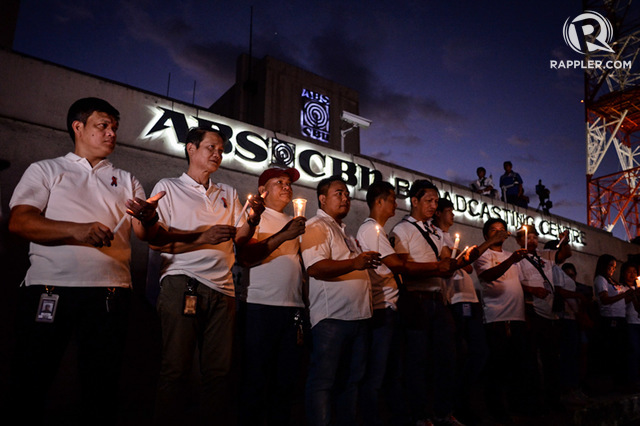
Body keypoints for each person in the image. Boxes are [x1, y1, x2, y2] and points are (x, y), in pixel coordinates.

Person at [6, 97, 162, 425]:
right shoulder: (47, 169)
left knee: (101, 387)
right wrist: (78, 231)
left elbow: (144, 234)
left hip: (111, 293)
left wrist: (148, 218)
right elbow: (20, 222)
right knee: (31, 380)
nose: (111, 134)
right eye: (102, 126)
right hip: (50, 288)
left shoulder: (126, 178)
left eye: (114, 128)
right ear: (78, 127)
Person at [148, 127, 264, 425]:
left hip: (224, 289)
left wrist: (253, 218)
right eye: (211, 147)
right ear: (190, 148)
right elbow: (156, 238)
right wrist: (204, 235)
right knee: (176, 368)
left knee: (219, 372)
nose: (217, 154)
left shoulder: (226, 191)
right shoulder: (168, 187)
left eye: (221, 150)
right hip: (181, 280)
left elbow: (240, 237)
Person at [300, 175, 379, 426]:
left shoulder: (344, 232)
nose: (345, 198)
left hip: (359, 318)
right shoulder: (315, 226)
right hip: (332, 318)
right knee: (323, 381)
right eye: (338, 193)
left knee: (352, 380)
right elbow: (316, 268)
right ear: (322, 199)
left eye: (347, 194)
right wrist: (355, 262)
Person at [234, 167, 306, 426]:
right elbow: (245, 256)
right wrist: (284, 235)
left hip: (292, 308)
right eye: (280, 182)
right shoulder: (254, 217)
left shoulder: (295, 221)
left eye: (289, 183)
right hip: (260, 306)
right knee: (255, 379)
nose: (287, 187)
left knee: (285, 382)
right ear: (263, 191)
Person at [389, 180, 461, 426]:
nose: (433, 205)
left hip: (438, 301)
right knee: (416, 361)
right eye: (429, 200)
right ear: (415, 201)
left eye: (436, 201)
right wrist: (436, 267)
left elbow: (446, 262)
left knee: (446, 359)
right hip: (416, 300)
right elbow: (403, 268)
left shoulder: (436, 232)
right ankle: (419, 415)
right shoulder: (402, 230)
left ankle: (443, 412)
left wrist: (455, 263)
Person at [432, 198, 499, 424]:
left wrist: (463, 257)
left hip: (471, 300)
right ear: (438, 213)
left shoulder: (451, 238)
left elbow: (467, 266)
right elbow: (449, 266)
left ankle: (463, 399)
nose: (452, 214)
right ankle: (454, 405)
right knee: (459, 355)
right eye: (448, 210)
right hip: (455, 301)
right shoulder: (435, 236)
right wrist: (486, 245)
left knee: (478, 353)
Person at [473, 218, 529, 422]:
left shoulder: (511, 255)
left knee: (517, 365)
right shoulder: (483, 255)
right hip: (498, 318)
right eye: (494, 230)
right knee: (498, 366)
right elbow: (488, 276)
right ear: (486, 235)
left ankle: (516, 405)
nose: (499, 233)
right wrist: (511, 261)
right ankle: (496, 408)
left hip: (517, 317)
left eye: (502, 230)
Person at [516, 225, 572, 410]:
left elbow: (565, 254)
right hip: (532, 311)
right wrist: (532, 289)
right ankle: (533, 401)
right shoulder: (516, 259)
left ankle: (553, 399)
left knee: (551, 358)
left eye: (534, 237)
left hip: (549, 313)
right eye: (527, 237)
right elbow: (515, 283)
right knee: (531, 358)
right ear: (518, 240)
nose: (531, 240)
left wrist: (565, 240)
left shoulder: (545, 256)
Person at [593, 254, 634, 391]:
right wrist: (624, 294)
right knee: (612, 351)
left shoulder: (612, 281)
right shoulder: (600, 280)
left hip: (620, 318)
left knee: (621, 351)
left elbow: (622, 301)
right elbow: (605, 299)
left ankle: (621, 382)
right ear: (603, 265)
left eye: (615, 267)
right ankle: (609, 384)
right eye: (611, 266)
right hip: (610, 319)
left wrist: (632, 295)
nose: (612, 269)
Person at [620, 262, 640, 390]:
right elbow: (622, 302)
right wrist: (634, 295)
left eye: (634, 272)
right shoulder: (621, 288)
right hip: (630, 322)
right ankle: (632, 381)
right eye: (629, 271)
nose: (632, 274)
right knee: (633, 351)